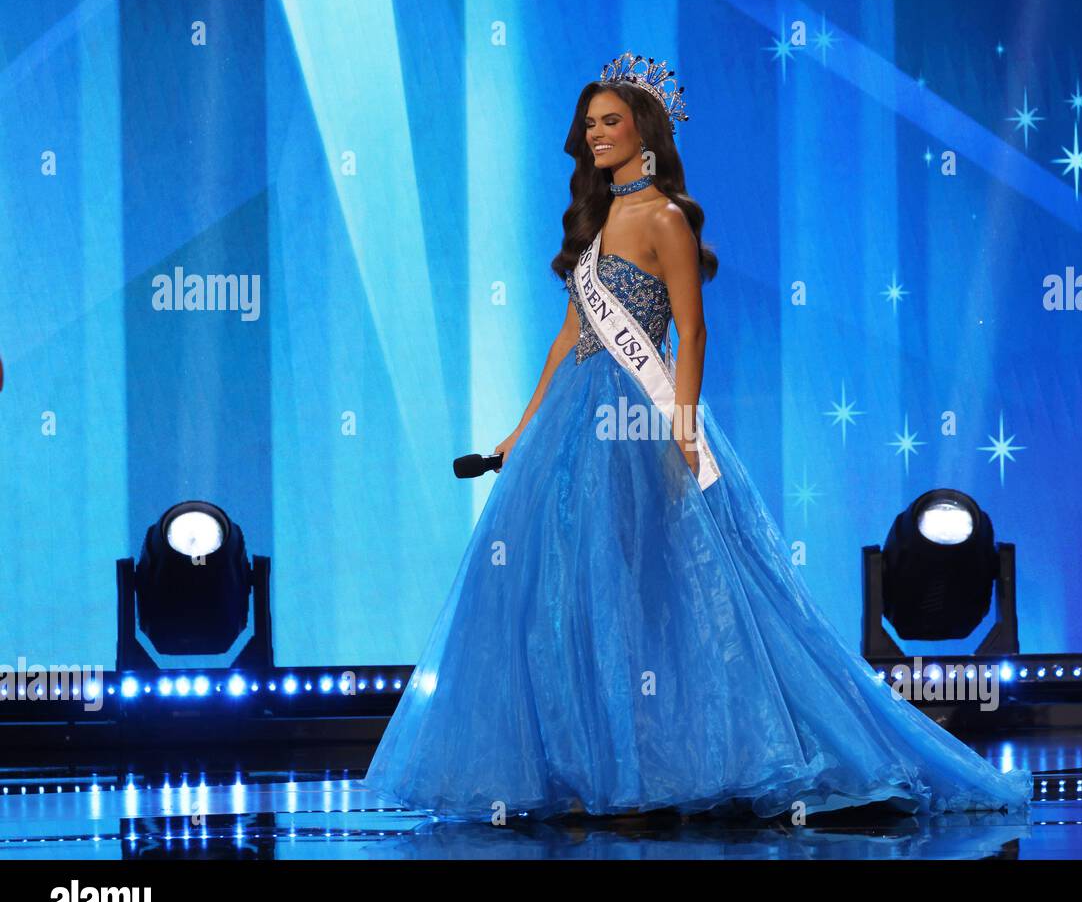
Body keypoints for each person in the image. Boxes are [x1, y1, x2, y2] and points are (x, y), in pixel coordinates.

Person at [363, 52, 1032, 822]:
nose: (596, 133)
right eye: (589, 124)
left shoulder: (666, 218)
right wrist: (521, 427)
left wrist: (681, 429)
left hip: (644, 422)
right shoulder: (597, 221)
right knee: (569, 592)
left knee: (669, 593)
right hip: (575, 424)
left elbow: (692, 330)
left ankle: (697, 758)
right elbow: (569, 336)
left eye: (611, 121)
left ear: (644, 131)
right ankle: (590, 765)